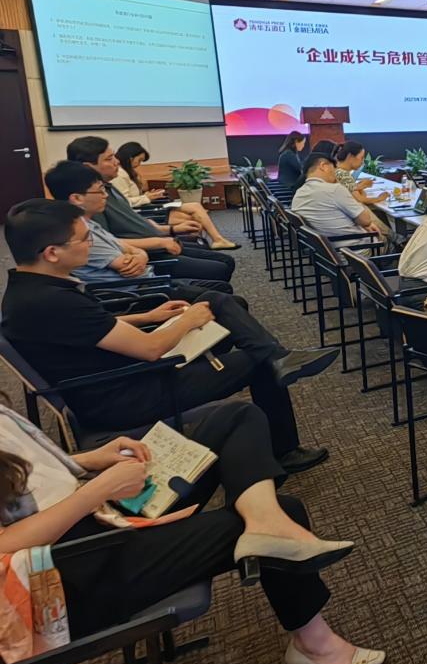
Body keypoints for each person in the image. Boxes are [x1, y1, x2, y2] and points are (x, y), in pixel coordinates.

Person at [0, 398, 383, 664]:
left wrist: (85, 461)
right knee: (289, 510)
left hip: (94, 516)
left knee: (237, 417)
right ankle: (314, 645)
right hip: (73, 570)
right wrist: (96, 490)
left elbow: (24, 478)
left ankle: (264, 520)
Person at [2, 200, 333, 471]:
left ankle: (277, 359)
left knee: (217, 303)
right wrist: (187, 320)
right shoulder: (53, 301)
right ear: (52, 252)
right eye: (84, 239)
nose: (91, 243)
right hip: (126, 394)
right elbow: (151, 349)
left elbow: (90, 328)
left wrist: (149, 316)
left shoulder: (30, 290)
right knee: (256, 361)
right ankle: (284, 446)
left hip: (115, 376)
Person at [66, 138, 235, 284]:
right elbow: (111, 242)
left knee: (214, 254)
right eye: (109, 159)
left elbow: (130, 222)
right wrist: (159, 242)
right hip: (150, 255)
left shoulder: (109, 187)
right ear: (88, 167)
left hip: (155, 244)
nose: (117, 162)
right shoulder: (92, 201)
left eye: (115, 157)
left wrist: (171, 230)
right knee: (221, 266)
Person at [111, 143, 240, 251]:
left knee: (195, 207)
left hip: (146, 206)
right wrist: (147, 198)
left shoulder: (126, 172)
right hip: (142, 212)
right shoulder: (119, 175)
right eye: (139, 160)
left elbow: (130, 197)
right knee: (192, 219)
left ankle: (215, 241)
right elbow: (124, 202)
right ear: (130, 158)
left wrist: (148, 195)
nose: (139, 164)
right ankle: (209, 244)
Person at [290, 153, 385, 239]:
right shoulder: (335, 189)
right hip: (357, 248)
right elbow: (366, 220)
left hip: (326, 249)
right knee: (386, 237)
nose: (335, 173)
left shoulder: (298, 194)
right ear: (323, 166)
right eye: (334, 167)